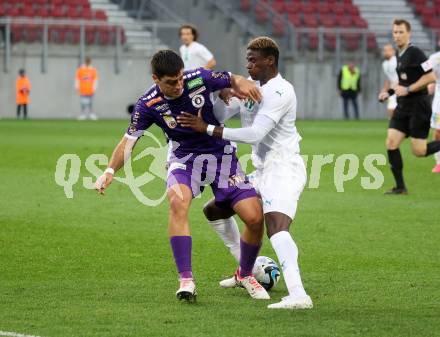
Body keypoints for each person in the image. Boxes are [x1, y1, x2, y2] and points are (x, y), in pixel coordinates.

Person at [94, 50, 271, 302]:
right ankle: (186, 280)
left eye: (179, 78)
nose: (178, 85)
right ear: (156, 78)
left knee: (254, 217)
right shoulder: (149, 103)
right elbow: (128, 141)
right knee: (177, 203)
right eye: (171, 82)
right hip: (183, 160)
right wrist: (109, 171)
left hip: (221, 156)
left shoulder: (197, 77)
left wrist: (241, 85)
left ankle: (244, 275)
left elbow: (233, 78)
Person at [177, 37, 313, 310]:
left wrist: (208, 129)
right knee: (214, 210)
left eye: (253, 60)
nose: (247, 64)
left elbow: (254, 134)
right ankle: (244, 271)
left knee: (276, 227)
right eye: (247, 59)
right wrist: (221, 93)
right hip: (262, 170)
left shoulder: (280, 91)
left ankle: (299, 295)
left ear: (270, 61)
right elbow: (217, 114)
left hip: (284, 169)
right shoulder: (251, 90)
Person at [382, 19, 440, 194]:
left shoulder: (416, 53)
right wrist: (390, 92)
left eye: (401, 32)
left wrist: (408, 89)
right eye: (395, 32)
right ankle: (400, 187)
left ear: (409, 33)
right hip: (403, 106)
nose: (397, 35)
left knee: (419, 151)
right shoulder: (400, 54)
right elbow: (403, 81)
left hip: (418, 107)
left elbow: (430, 78)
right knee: (391, 142)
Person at [426, 42, 440, 173]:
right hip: (439, 102)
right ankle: (439, 162)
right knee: (437, 132)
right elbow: (423, 72)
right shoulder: (434, 58)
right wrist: (430, 83)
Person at [378, 43, 399, 119]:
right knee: (391, 112)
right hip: (393, 90)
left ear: (393, 51)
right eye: (384, 50)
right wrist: (383, 91)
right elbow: (389, 79)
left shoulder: (396, 61)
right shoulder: (385, 64)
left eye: (388, 50)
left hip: (401, 89)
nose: (386, 52)